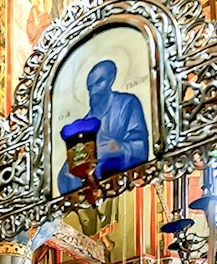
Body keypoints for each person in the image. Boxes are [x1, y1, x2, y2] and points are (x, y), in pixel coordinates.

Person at [55, 59, 151, 194]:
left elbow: (141, 147)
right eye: (90, 87)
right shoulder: (85, 125)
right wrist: (69, 172)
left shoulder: (127, 104)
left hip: (128, 191)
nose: (94, 91)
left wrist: (116, 148)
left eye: (99, 82)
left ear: (111, 79)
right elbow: (65, 178)